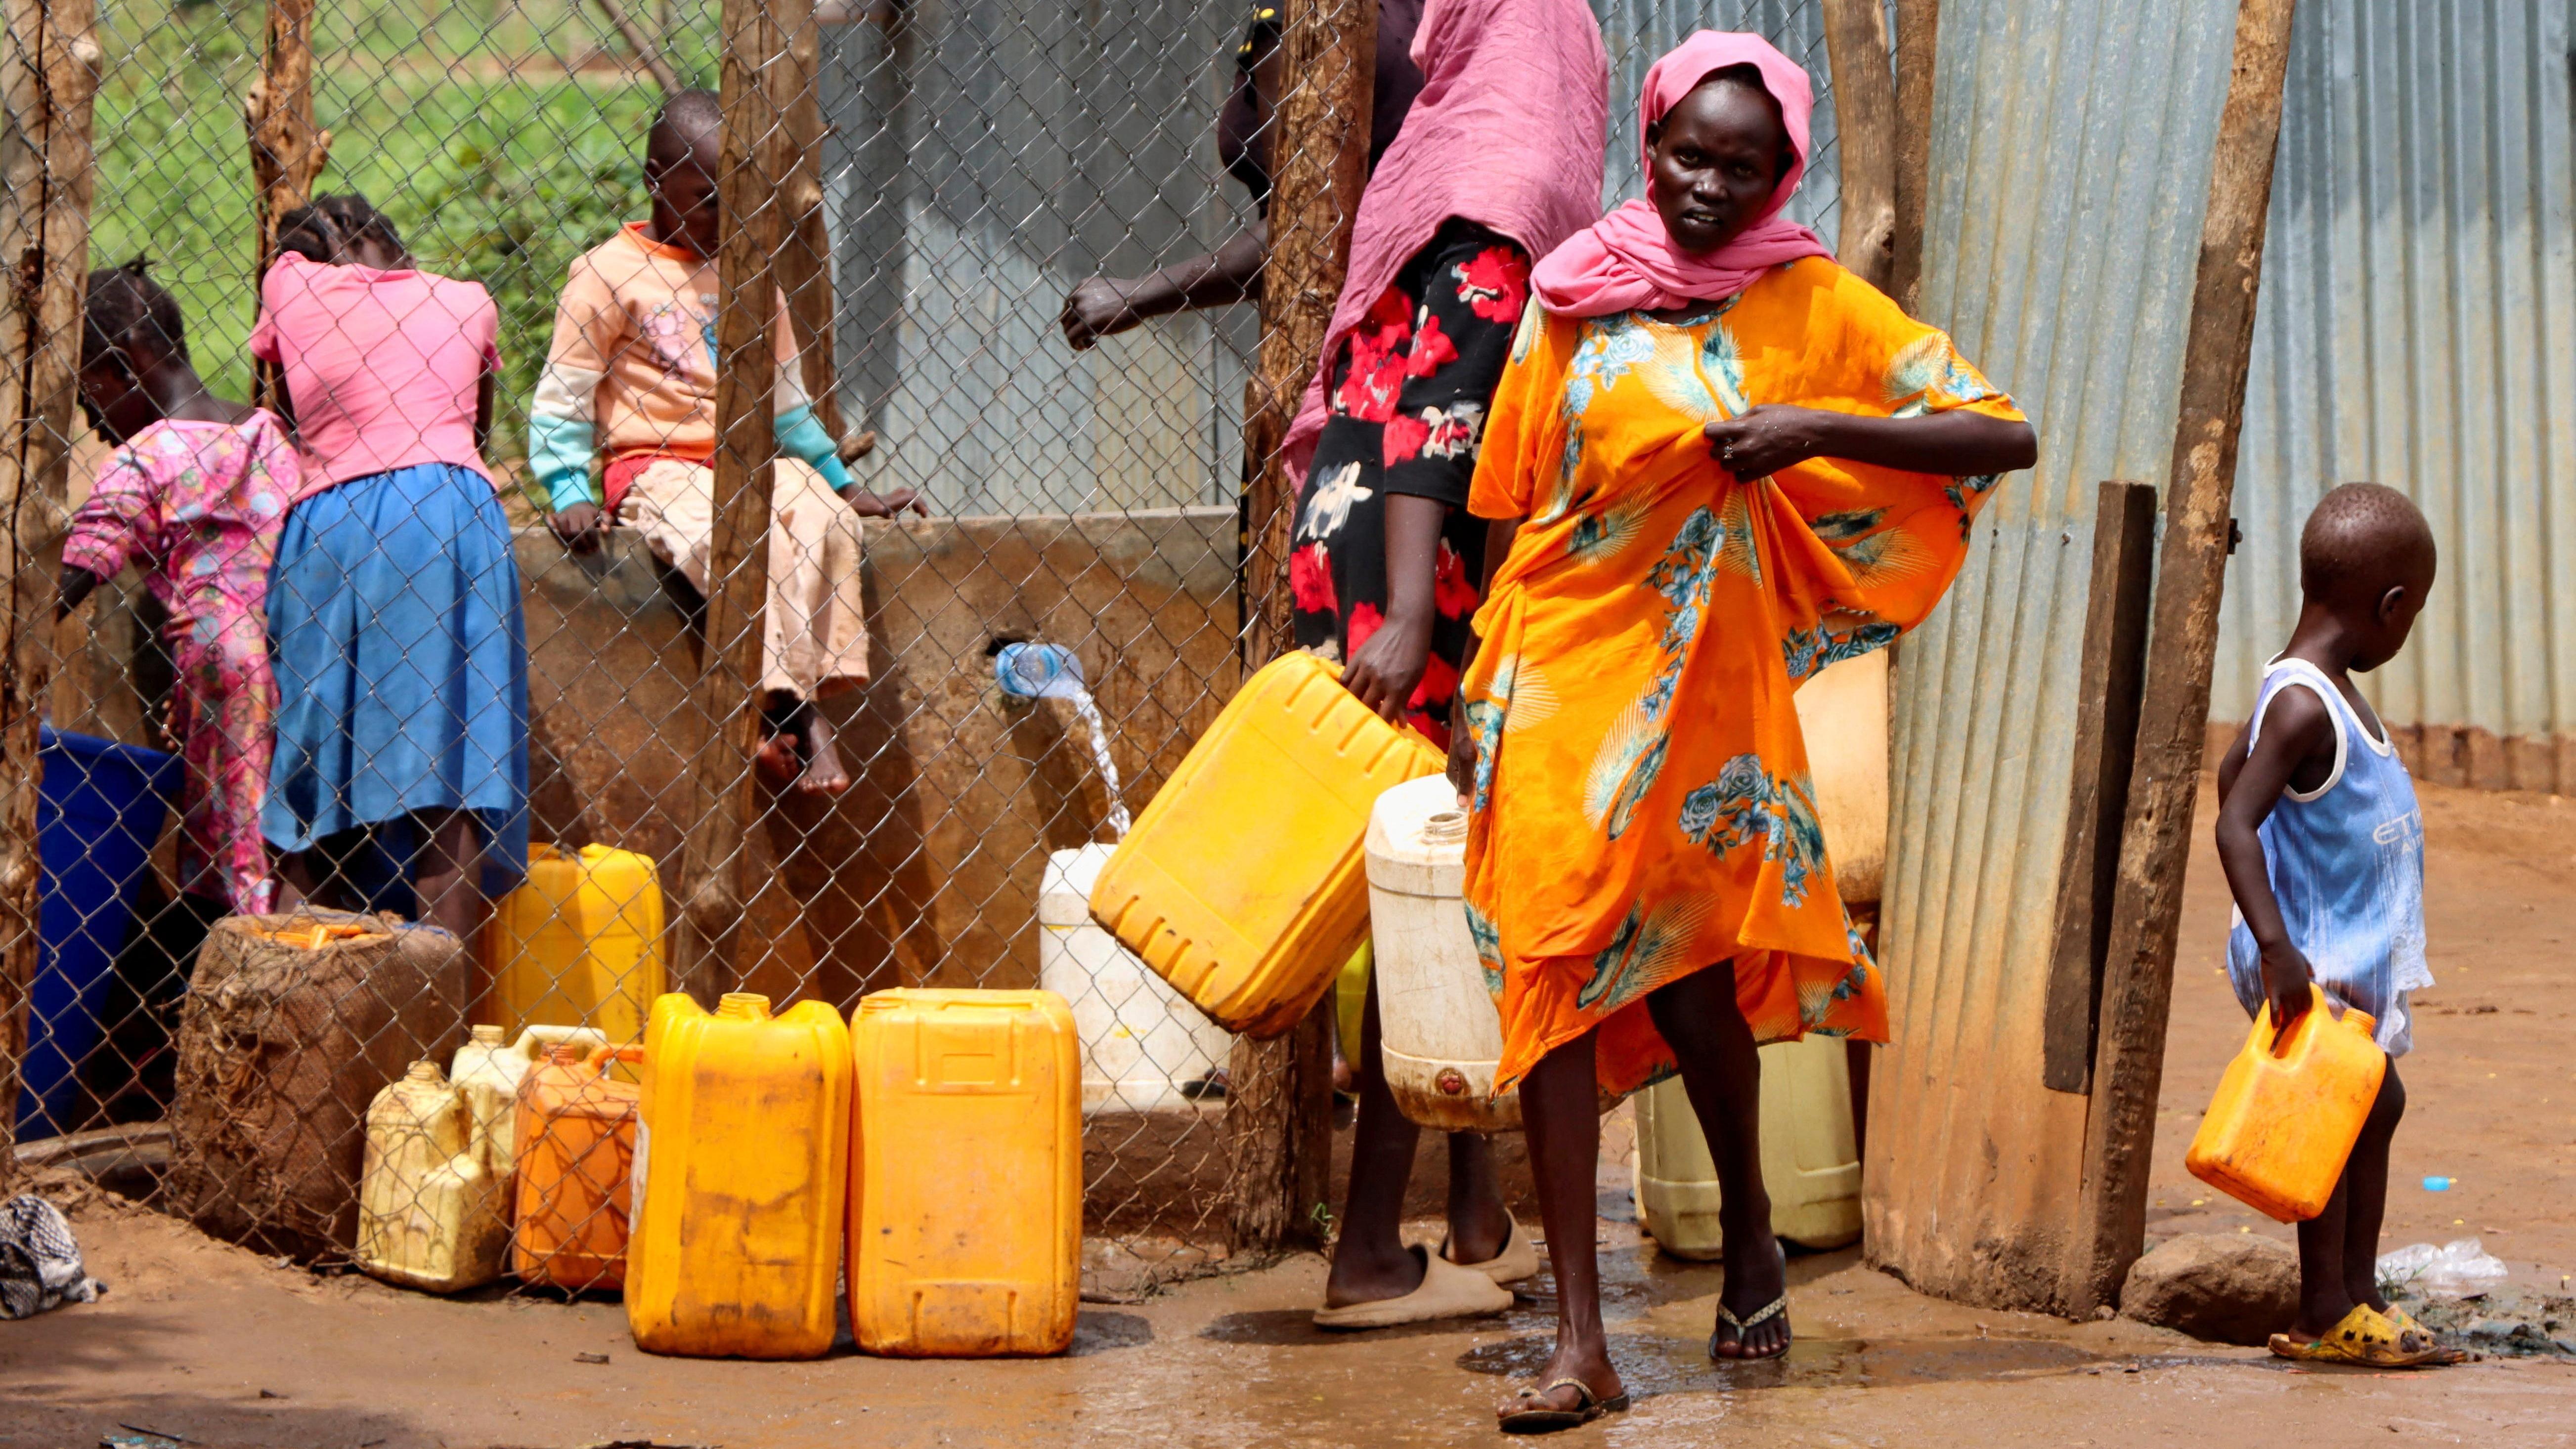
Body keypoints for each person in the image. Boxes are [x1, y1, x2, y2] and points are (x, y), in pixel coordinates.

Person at [1454, 33, 2035, 1429]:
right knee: (1549, 982)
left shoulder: (1812, 301)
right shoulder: (1571, 293)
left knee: (1694, 982)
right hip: (1554, 671)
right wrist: (1473, 690)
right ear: (1644, 140)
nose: (1704, 184)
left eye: (1740, 163)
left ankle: (1754, 1229)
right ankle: (1581, 1341)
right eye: (1683, 153)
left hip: (1704, 690)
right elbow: (1506, 494)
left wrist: (1814, 427)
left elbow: (1997, 432)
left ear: (1783, 170)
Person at [1288, 0, 1607, 1332]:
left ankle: (1473, 1211)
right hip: (1416, 588)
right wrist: (1420, 613)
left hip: (1357, 564)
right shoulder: (1503, 198)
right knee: (1438, 898)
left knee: (1435, 875)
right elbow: (1440, 425)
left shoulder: (1439, 171)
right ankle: (1367, 1247)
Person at [530, 88, 919, 797]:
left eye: (739, 201)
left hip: (748, 460)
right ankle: (797, 714)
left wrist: (841, 483)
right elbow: (565, 394)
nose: (723, 218)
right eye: (705, 199)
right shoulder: (606, 274)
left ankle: (785, 708)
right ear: (655, 182)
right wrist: (566, 488)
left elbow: (789, 403)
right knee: (727, 539)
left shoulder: (748, 270)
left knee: (823, 522)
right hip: (656, 465)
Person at [2214, 483, 2456, 1368]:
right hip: (2314, 956)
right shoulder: (2306, 703)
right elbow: (2233, 818)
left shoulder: (2313, 687)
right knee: (2335, 1115)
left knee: (2372, 1101)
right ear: (2390, 606)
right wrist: (2278, 945)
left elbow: (2228, 774)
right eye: (2413, 613)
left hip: (2338, 945)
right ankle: (2325, 1305)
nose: (2408, 628)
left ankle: (2358, 1292)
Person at [253, 193, 528, 943]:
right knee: (455, 777)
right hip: (455, 515)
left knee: (315, 772)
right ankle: (438, 1029)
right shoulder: (469, 302)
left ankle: (300, 999)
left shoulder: (289, 282)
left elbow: (289, 413)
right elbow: (476, 425)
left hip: (338, 523)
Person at [62, 259, 298, 919]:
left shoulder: (145, 458)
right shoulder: (267, 433)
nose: (90, 417)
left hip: (218, 667)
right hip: (301, 654)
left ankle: (237, 980)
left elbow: (80, 567)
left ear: (125, 365)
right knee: (282, 836)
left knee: (229, 840)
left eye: (91, 392)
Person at [1057, 0, 1427, 349]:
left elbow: (1306, 230)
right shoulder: (1429, 15)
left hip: (1378, 331)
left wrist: (1139, 294)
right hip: (1443, 302)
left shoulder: (1301, 20)